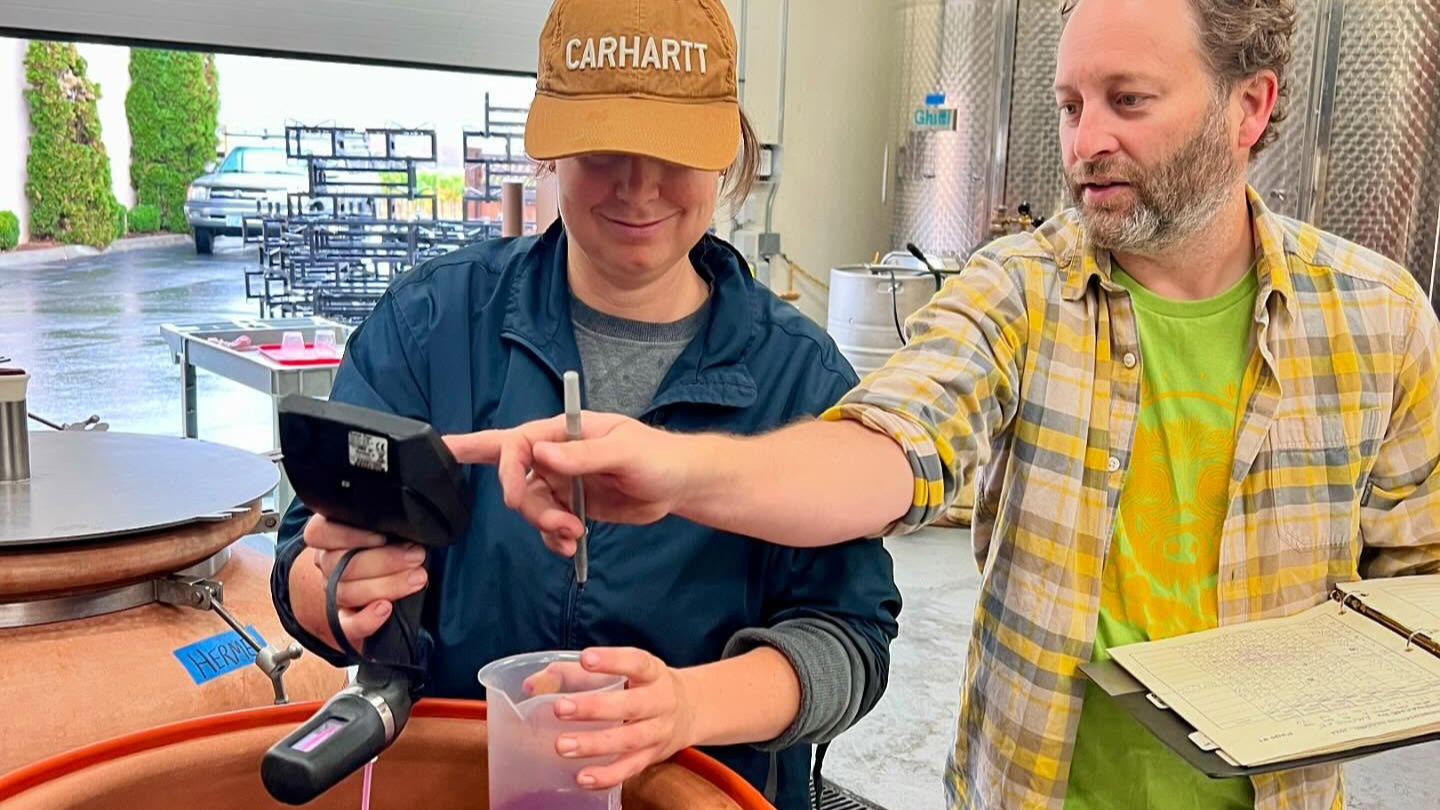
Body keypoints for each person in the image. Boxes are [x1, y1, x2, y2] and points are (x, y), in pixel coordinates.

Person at [447, 0, 1440, 809]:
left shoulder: (1377, 318)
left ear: (1250, 107)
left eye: (1127, 100)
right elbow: (889, 449)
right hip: (1038, 786)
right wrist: (681, 470)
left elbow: (1413, 594)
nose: (1087, 141)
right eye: (1068, 103)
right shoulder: (1019, 290)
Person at [268, 1, 901, 807]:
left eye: (673, 150)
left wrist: (688, 705)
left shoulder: (798, 378)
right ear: (553, 146)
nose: (638, 185)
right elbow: (303, 554)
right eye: (603, 148)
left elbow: (851, 638)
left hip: (701, 791)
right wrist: (335, 593)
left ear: (727, 150)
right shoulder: (434, 325)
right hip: (460, 782)